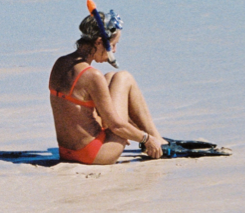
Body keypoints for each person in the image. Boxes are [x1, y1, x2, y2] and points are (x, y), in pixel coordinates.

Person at [49, 8, 164, 164]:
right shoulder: (92, 75)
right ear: (98, 42)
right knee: (124, 77)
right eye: (113, 45)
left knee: (110, 77)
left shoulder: (61, 62)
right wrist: (145, 138)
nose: (115, 51)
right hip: (94, 153)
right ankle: (156, 139)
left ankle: (153, 138)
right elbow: (116, 127)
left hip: (67, 152)